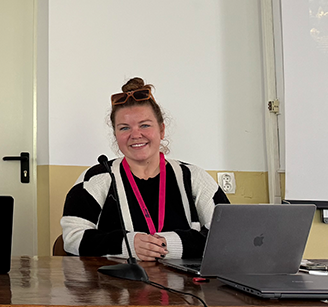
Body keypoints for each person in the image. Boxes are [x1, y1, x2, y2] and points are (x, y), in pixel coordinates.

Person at [61, 78, 229, 260]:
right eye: (124, 128)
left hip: (185, 287)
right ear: (116, 135)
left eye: (145, 125)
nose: (135, 135)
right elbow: (72, 239)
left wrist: (167, 245)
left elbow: (228, 236)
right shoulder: (95, 178)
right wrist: (127, 245)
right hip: (114, 286)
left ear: (162, 130)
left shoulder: (193, 177)